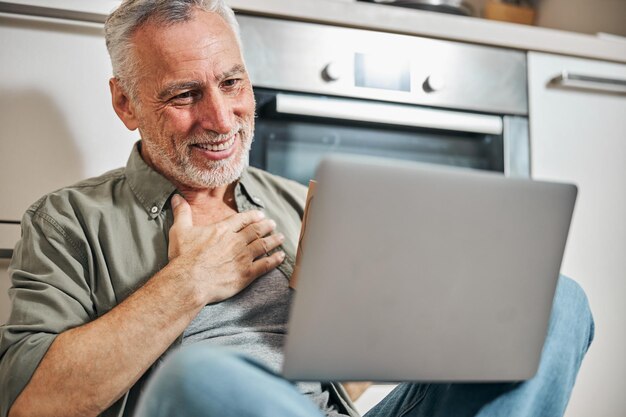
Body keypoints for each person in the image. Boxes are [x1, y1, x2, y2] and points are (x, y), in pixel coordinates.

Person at [0, 1, 594, 416]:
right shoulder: (68, 220)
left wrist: (344, 312)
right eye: (185, 94)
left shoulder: (294, 202)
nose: (220, 117)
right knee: (200, 377)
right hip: (206, 402)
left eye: (232, 83)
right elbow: (33, 402)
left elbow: (353, 386)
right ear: (125, 103)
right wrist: (189, 282)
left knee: (556, 302)